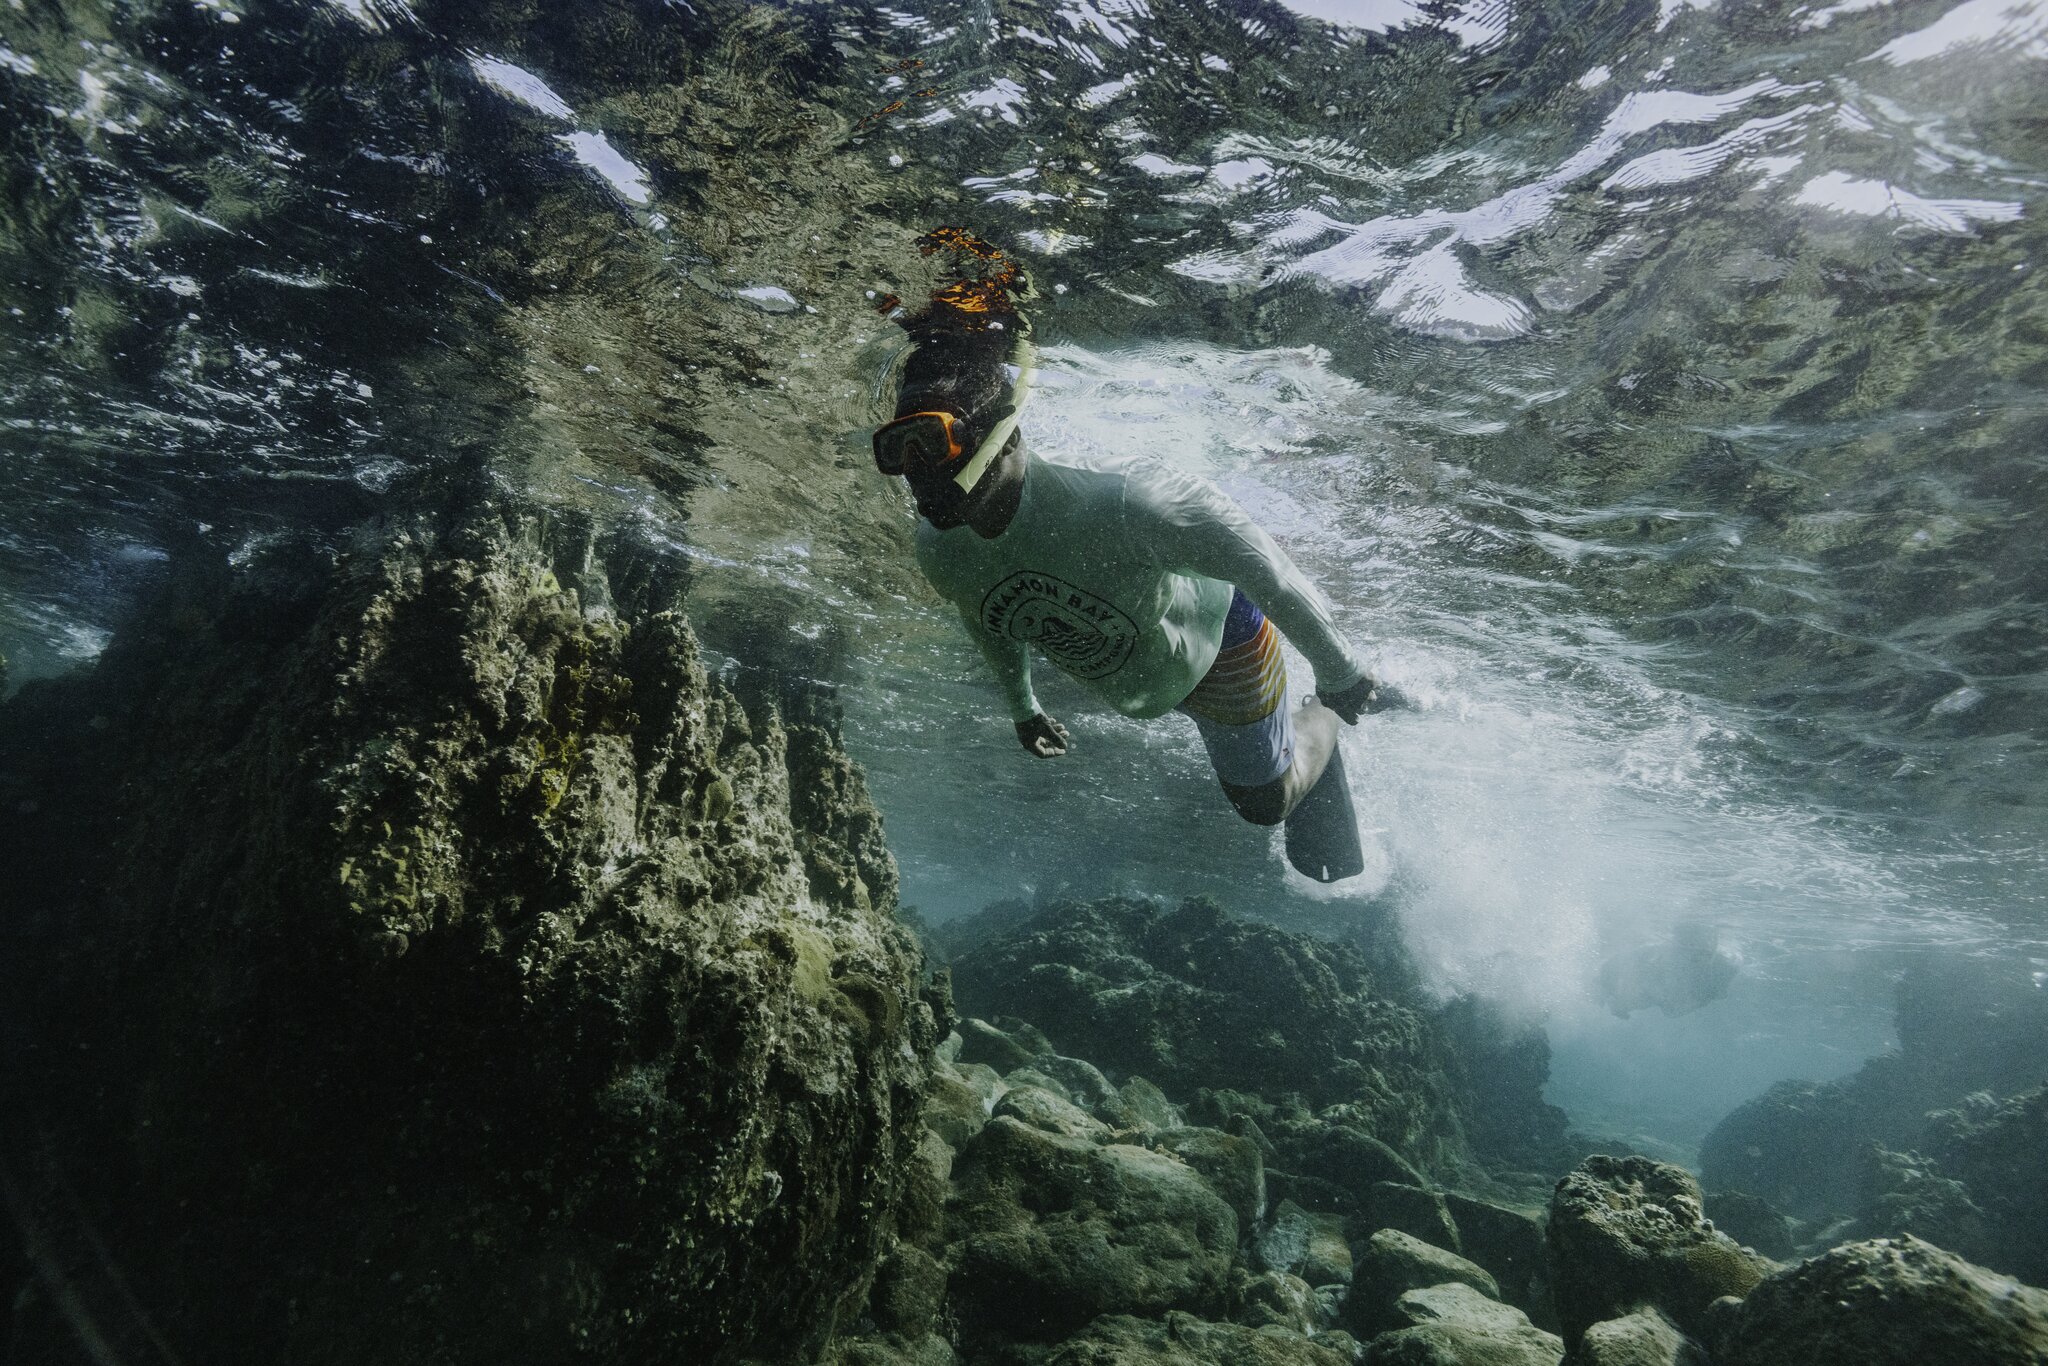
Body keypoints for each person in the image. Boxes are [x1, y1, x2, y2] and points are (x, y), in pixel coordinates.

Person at [873, 311, 1390, 827]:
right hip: (1133, 663)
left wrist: (1338, 669)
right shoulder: (940, 551)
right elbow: (987, 614)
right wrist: (1024, 706)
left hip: (1218, 648)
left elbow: (1254, 559)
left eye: (933, 440)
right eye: (895, 448)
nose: (916, 470)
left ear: (1005, 435)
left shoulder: (1123, 501)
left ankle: (1321, 715)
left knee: (1264, 805)